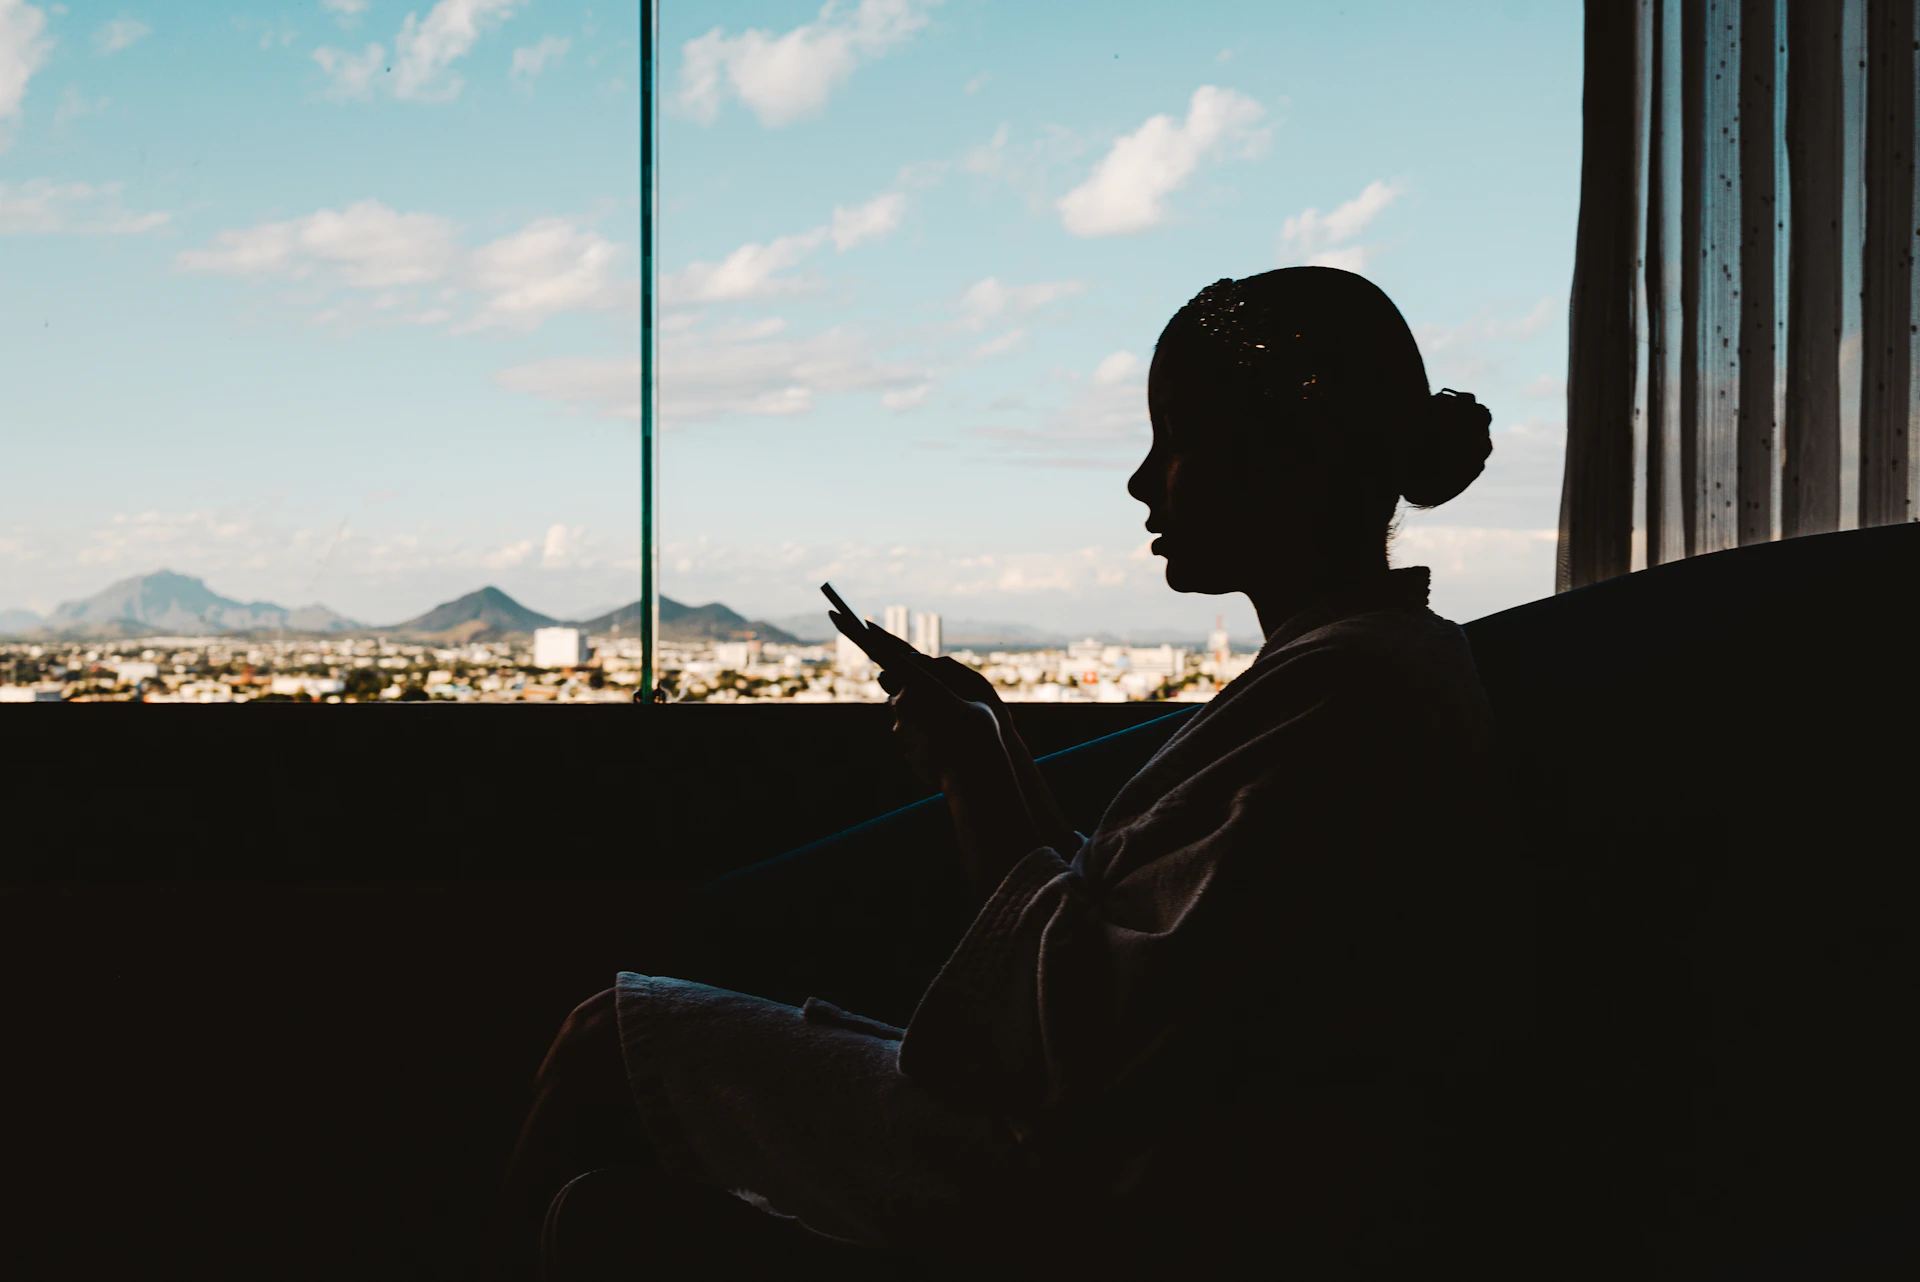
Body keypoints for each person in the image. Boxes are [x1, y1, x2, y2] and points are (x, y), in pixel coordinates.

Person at [498, 267, 1537, 1278]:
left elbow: (1072, 1038)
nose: (1141, 479)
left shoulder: (1344, 699)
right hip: (1123, 1164)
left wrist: (978, 776)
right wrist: (995, 742)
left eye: (1173, 435)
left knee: (605, 1041)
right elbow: (1136, 943)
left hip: (1105, 1199)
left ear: (1286, 457)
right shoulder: (1361, 672)